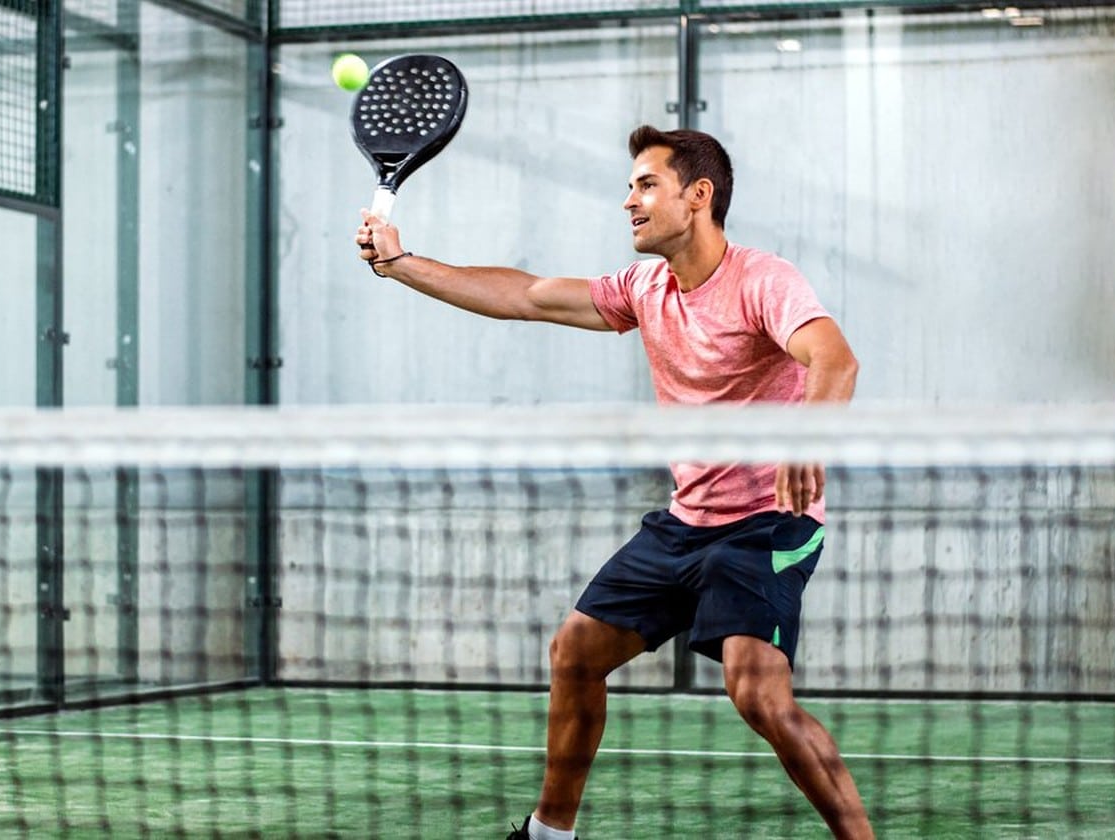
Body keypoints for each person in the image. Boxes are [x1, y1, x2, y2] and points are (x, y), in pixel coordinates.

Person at [354, 125, 871, 839]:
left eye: (645, 184)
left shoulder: (763, 280)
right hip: (685, 522)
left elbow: (834, 359)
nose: (628, 200)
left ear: (698, 196)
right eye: (630, 185)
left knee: (757, 694)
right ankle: (549, 833)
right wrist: (402, 262)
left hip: (769, 522)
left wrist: (809, 439)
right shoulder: (646, 288)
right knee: (576, 652)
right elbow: (528, 295)